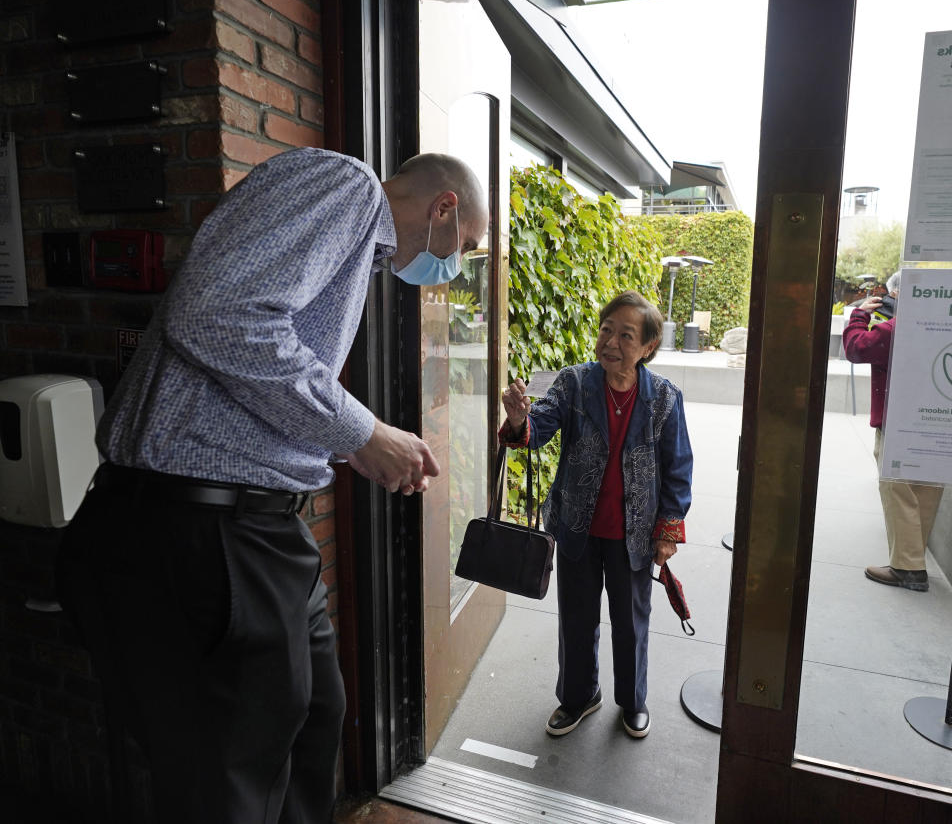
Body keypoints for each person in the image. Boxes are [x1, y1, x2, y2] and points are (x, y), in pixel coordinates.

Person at [54, 147, 486, 823]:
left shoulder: (360, 249)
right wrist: (360, 432)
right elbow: (218, 316)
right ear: (443, 208)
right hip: (200, 528)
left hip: (255, 529)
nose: (454, 265)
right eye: (464, 245)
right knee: (229, 781)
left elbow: (250, 364)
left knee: (316, 718)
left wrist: (358, 442)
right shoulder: (346, 186)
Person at [499, 291, 692, 739]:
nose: (611, 341)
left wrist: (668, 530)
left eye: (626, 335)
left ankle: (633, 701)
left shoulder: (663, 398)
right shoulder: (574, 383)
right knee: (576, 617)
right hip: (576, 527)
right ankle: (578, 696)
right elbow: (537, 428)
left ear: (647, 347)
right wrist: (516, 421)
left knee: (631, 624)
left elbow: (678, 467)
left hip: (636, 535)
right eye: (607, 330)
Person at [843, 270, 943, 592]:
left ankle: (907, 568)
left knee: (897, 488)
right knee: (926, 487)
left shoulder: (899, 328)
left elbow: (857, 348)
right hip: (936, 420)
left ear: (899, 295)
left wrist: (860, 316)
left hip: (901, 420)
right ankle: (914, 558)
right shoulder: (942, 326)